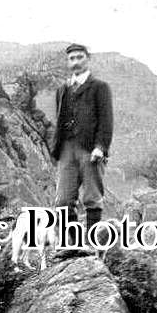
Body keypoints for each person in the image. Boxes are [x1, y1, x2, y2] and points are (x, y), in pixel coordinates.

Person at [50, 43, 113, 244]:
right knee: (63, 200)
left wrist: (100, 147)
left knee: (92, 197)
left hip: (90, 148)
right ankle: (76, 245)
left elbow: (106, 120)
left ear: (88, 59)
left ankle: (93, 245)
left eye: (79, 57)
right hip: (66, 149)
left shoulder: (100, 87)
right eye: (72, 59)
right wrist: (56, 150)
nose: (75, 62)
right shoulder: (62, 90)